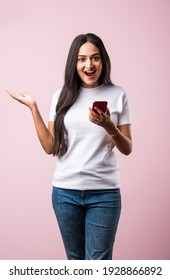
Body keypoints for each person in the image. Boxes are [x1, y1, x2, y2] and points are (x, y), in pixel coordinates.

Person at [7, 33, 132, 260]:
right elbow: (50, 147)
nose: (89, 65)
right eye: (81, 59)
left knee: (99, 266)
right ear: (73, 63)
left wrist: (108, 126)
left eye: (95, 58)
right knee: (75, 264)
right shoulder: (61, 96)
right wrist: (33, 108)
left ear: (103, 61)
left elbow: (127, 148)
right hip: (65, 194)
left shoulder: (117, 94)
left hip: (104, 194)